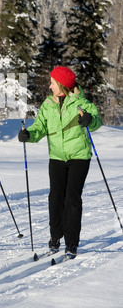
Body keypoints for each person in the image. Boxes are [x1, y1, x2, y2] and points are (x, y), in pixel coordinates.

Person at [18, 66, 103, 258]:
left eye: (52, 83)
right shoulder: (48, 104)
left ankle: (71, 244)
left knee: (72, 199)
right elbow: (39, 127)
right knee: (55, 198)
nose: (49, 86)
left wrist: (89, 120)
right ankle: (55, 238)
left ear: (62, 85)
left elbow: (97, 121)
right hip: (56, 157)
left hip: (79, 157)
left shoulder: (82, 104)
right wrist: (28, 135)